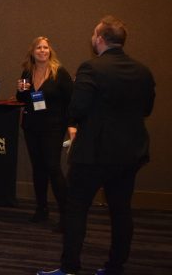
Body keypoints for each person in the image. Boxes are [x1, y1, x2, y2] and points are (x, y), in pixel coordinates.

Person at [38, 17, 155, 275]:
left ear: (100, 39)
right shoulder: (143, 71)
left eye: (93, 34)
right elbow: (147, 109)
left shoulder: (91, 68)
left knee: (76, 208)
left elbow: (77, 109)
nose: (92, 38)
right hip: (129, 153)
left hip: (93, 153)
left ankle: (69, 268)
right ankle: (115, 266)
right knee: (121, 211)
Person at [15, 36, 73, 226]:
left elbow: (71, 101)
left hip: (53, 128)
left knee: (53, 168)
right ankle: (42, 209)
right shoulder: (27, 71)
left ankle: (67, 215)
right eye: (38, 48)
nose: (42, 50)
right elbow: (22, 99)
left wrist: (72, 125)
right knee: (38, 168)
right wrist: (20, 90)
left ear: (50, 51)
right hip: (32, 127)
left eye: (45, 47)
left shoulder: (59, 73)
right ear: (32, 52)